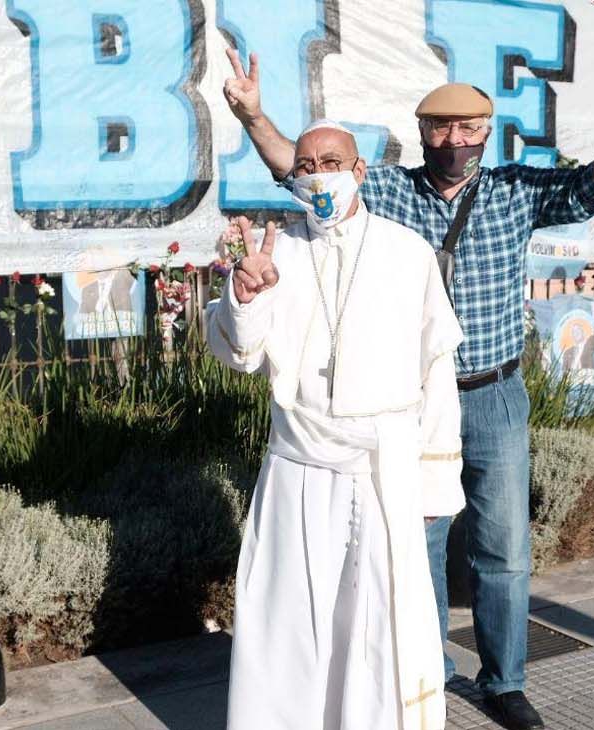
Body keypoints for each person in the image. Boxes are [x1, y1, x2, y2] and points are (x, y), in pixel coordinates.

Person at [222, 37, 594, 730]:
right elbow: (306, 167)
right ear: (421, 133)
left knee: (503, 546)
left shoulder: (518, 191)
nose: (454, 138)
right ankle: (425, 670)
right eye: (440, 127)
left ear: (487, 133)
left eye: (468, 128)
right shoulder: (389, 189)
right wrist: (254, 117)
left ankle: (506, 682)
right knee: (416, 544)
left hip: (492, 392)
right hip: (410, 404)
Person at [207, 121, 465, 730]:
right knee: (291, 623)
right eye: (304, 165)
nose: (316, 173)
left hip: (385, 469)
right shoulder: (277, 252)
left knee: (377, 624)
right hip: (298, 467)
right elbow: (238, 354)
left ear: (358, 171)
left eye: (330, 161)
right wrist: (246, 298)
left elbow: (437, 372)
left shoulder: (407, 251)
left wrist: (434, 481)